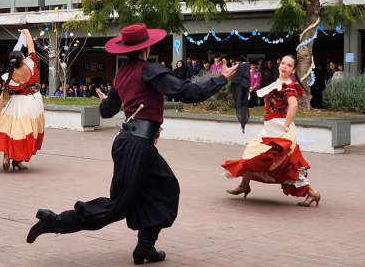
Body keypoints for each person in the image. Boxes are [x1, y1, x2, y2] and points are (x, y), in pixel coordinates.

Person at [25, 23, 238, 264]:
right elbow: (187, 92)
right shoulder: (150, 71)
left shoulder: (121, 75)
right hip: (137, 145)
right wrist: (221, 77)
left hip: (130, 143)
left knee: (164, 188)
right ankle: (55, 221)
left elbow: (106, 111)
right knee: (118, 206)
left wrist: (106, 100)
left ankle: (145, 246)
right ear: (146, 49)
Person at [222, 54, 321, 207]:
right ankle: (244, 185)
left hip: (279, 130)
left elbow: (293, 105)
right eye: (283, 63)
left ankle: (312, 193)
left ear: (293, 70)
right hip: (269, 128)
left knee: (284, 164)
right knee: (252, 154)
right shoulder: (277, 83)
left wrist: (287, 124)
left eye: (289, 65)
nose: (284, 66)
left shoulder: (288, 86)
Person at [0, 29, 45, 171]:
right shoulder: (31, 64)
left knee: (13, 130)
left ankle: (8, 154)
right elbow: (31, 46)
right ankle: (17, 160)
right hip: (33, 103)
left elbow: (3, 96)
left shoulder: (9, 76)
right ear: (22, 59)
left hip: (16, 104)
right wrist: (26, 32)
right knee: (27, 133)